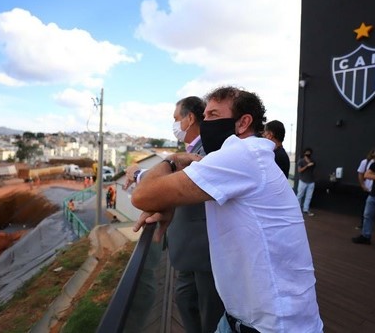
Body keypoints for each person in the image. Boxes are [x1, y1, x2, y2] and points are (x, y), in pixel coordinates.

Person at [131, 86, 323, 333]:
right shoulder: (247, 157)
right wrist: (168, 202)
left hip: (275, 325)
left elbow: (142, 195)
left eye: (212, 115)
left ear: (243, 122)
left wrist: (173, 160)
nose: (205, 122)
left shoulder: (243, 154)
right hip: (241, 317)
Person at [125, 96, 224, 333]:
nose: (174, 125)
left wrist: (139, 174)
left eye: (175, 119)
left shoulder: (207, 148)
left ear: (190, 119)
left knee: (208, 312)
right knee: (187, 302)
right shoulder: (193, 149)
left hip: (203, 252)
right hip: (190, 251)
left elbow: (177, 179)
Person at [356, 148, 375, 230]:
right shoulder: (365, 162)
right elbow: (360, 174)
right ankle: (363, 224)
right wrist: (363, 186)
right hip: (368, 189)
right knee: (365, 208)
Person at [297, 147, 316, 216]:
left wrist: (310, 163)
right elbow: (299, 170)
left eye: (309, 153)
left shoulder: (312, 161)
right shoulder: (301, 161)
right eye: (307, 152)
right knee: (299, 195)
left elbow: (313, 169)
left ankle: (306, 209)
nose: (308, 154)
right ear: (304, 153)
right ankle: (297, 210)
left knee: (309, 196)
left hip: (311, 181)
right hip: (303, 181)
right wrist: (307, 165)